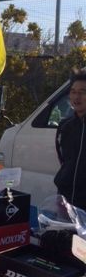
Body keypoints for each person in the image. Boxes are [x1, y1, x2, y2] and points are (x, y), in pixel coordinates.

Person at [54, 70, 86, 209]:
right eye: (73, 92)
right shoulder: (65, 126)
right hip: (66, 201)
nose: (77, 97)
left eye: (83, 92)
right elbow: (63, 160)